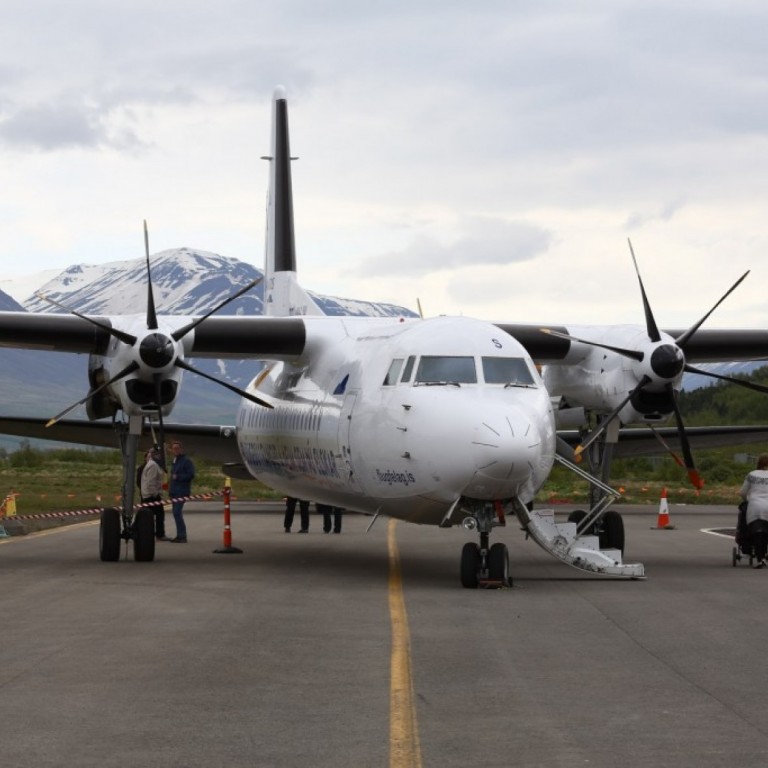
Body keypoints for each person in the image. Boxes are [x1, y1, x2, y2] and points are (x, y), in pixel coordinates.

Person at [739, 453, 768, 568]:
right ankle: (765, 555)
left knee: (757, 533)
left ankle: (760, 559)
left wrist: (747, 500)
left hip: (755, 506)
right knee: (766, 532)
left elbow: (742, 492)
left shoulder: (752, 474)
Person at [168, 440, 195, 543]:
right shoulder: (175, 461)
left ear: (181, 449)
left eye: (177, 448)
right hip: (175, 491)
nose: (176, 450)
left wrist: (178, 477)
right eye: (174, 448)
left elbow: (191, 474)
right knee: (175, 513)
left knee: (177, 512)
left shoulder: (186, 461)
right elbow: (172, 478)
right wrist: (171, 492)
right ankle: (179, 535)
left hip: (182, 491)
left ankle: (182, 536)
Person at [140, 448, 167, 541]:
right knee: (159, 515)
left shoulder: (152, 464)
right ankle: (160, 535)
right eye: (159, 454)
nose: (160, 456)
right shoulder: (153, 465)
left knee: (147, 516)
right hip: (151, 496)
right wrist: (155, 494)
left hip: (148, 494)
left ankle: (146, 534)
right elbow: (150, 482)